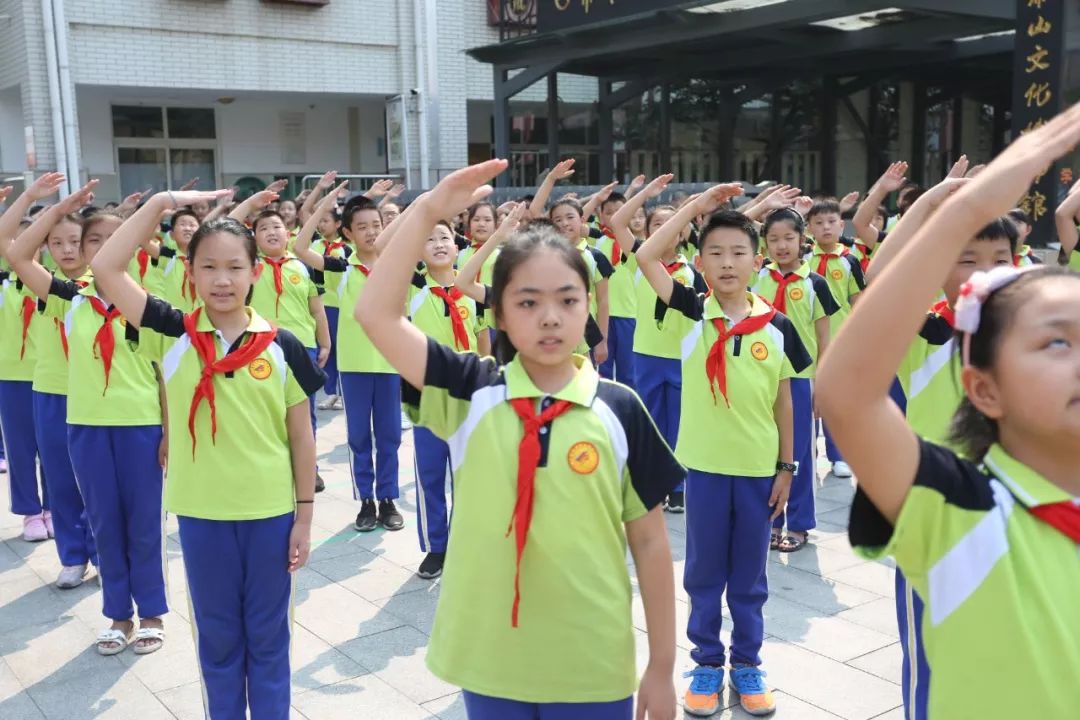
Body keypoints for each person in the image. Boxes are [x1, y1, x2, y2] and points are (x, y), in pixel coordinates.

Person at [356, 158, 681, 720]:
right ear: (500, 314)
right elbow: (376, 315)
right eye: (528, 302)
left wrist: (661, 667)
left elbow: (651, 545)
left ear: (587, 308)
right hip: (492, 659)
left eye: (567, 300)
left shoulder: (619, 408)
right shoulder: (469, 391)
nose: (550, 317)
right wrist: (428, 210)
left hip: (592, 660)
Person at [817, 101, 1080, 720]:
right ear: (981, 388)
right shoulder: (962, 509)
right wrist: (950, 208)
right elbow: (848, 386)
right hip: (916, 491)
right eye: (1058, 343)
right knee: (926, 669)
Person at [91, 187, 323, 720]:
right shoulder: (170, 334)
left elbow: (302, 436)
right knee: (217, 640)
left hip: (270, 515)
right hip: (202, 516)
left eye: (235, 268)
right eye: (209, 267)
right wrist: (164, 203)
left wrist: (304, 517)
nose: (222, 279)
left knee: (269, 639)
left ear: (254, 274)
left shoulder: (281, 344)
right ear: (189, 273)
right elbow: (106, 266)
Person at [638, 187, 811, 717]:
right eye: (715, 252)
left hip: (760, 470)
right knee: (705, 571)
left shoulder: (776, 325)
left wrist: (787, 466)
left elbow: (785, 401)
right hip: (707, 470)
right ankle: (707, 662)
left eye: (739, 252)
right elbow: (646, 255)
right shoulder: (690, 311)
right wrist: (695, 209)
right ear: (699, 261)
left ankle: (749, 663)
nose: (728, 262)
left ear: (757, 261)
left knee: (750, 575)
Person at [859, 156, 1014, 720]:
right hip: (935, 518)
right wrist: (933, 202)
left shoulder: (1024, 337)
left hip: (1012, 517)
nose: (985, 270)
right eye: (965, 258)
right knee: (929, 652)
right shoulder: (925, 330)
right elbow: (879, 278)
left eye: (1000, 259)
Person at [8, 179, 168, 656]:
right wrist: (55, 210)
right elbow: (18, 255)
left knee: (143, 524)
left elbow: (165, 374)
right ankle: (118, 616)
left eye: (114, 241)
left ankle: (154, 613)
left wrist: (169, 433)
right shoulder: (70, 300)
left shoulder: (147, 305)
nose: (102, 251)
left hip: (141, 427)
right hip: (86, 428)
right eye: (93, 241)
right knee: (104, 521)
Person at [2, 194, 108, 587]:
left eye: (76, 242)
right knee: (60, 481)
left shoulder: (103, 285)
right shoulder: (40, 283)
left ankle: (102, 552)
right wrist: (37, 201)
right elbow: (7, 244)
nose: (67, 250)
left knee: (95, 482)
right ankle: (73, 556)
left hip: (97, 394)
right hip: (50, 391)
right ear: (44, 246)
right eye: (57, 242)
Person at [293, 192, 405, 533]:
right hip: (355, 367)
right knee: (358, 436)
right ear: (348, 234)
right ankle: (365, 502)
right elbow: (300, 248)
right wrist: (322, 208)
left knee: (389, 436)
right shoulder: (341, 268)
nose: (371, 232)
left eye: (377, 225)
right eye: (363, 227)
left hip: (390, 364)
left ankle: (387, 499)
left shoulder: (400, 266)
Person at [608, 175, 703, 514]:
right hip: (645, 355)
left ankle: (678, 485)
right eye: (656, 225)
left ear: (681, 232)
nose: (663, 230)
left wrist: (690, 210)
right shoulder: (638, 259)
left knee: (680, 422)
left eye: (670, 224)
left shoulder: (693, 271)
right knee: (649, 423)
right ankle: (652, 482)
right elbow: (617, 221)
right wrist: (645, 194)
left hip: (680, 357)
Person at [405, 218, 490, 580]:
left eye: (444, 237)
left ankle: (465, 542)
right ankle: (437, 546)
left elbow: (483, 339)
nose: (438, 243)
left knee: (468, 475)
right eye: (429, 238)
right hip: (427, 393)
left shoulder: (473, 292)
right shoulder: (412, 288)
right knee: (430, 472)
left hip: (469, 391)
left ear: (458, 247)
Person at [752, 207, 840, 553]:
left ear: (802, 240)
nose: (782, 245)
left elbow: (823, 340)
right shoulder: (757, 279)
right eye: (773, 239)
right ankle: (771, 521)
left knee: (800, 452)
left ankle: (800, 524)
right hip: (764, 379)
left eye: (789, 238)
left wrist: (823, 385)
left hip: (801, 381)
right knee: (769, 450)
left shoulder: (815, 283)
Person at [231, 201, 330, 490]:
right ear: (254, 237)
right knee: (265, 409)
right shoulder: (249, 268)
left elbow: (317, 309)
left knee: (304, 411)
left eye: (277, 227)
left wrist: (324, 342)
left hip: (302, 348)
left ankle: (308, 467)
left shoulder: (303, 265)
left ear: (288, 233)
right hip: (260, 346)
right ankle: (270, 465)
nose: (272, 232)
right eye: (264, 228)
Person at [0, 174, 59, 544]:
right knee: (21, 447)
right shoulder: (3, 283)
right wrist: (24, 200)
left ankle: (54, 506)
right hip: (12, 375)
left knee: (53, 446)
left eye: (33, 243)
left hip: (51, 375)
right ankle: (29, 512)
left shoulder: (53, 285)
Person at [807, 199, 865, 479]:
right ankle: (809, 452)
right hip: (808, 339)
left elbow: (858, 301)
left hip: (840, 340)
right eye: (818, 223)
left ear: (842, 225)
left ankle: (837, 454)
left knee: (834, 399)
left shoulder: (850, 260)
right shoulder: (804, 260)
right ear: (808, 229)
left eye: (831, 222)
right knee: (806, 397)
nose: (825, 228)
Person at [549, 198, 614, 365]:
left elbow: (603, 301)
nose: (564, 223)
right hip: (551, 334)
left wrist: (602, 340)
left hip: (584, 335)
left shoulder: (595, 257)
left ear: (582, 220)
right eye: (558, 219)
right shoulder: (544, 256)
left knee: (582, 384)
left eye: (570, 217)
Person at [594, 190, 638, 387]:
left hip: (629, 313)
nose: (614, 216)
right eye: (609, 212)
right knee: (601, 369)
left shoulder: (634, 243)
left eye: (620, 212)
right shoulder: (596, 240)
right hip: (601, 314)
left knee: (628, 372)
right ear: (601, 215)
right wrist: (596, 198)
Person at [312, 205, 347, 410]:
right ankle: (331, 392)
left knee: (340, 348)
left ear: (338, 224)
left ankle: (343, 393)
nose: (321, 224)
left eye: (326, 220)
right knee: (326, 349)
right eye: (320, 221)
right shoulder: (315, 245)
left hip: (338, 305)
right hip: (318, 304)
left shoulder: (345, 249)